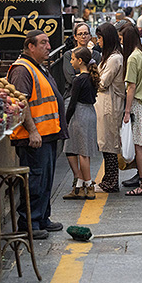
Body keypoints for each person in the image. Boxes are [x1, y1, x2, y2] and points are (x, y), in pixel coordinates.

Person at [7, 30, 68, 240]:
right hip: (33, 137)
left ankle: (42, 218)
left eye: (49, 42)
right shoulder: (22, 70)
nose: (49, 47)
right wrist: (32, 130)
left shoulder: (37, 67)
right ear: (30, 46)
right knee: (35, 180)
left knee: (45, 180)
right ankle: (29, 223)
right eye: (43, 43)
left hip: (47, 134)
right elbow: (20, 103)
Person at [120, 24, 142, 196]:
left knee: (139, 147)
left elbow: (131, 86)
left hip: (138, 105)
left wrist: (126, 111)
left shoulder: (133, 58)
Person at [63, 47, 100, 200]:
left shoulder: (78, 79)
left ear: (80, 61)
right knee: (75, 149)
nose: (71, 62)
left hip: (79, 114)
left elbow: (72, 103)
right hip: (90, 112)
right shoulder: (91, 77)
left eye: (72, 59)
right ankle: (78, 186)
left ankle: (88, 184)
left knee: (81, 152)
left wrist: (65, 120)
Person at [94, 23, 125, 193]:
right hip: (106, 104)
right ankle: (107, 179)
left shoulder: (114, 59)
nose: (97, 41)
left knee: (110, 144)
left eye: (100, 38)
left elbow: (102, 83)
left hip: (111, 104)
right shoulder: (110, 57)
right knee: (106, 142)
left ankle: (111, 182)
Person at [62, 23, 101, 100]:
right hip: (72, 95)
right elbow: (70, 79)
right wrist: (89, 76)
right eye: (80, 34)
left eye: (86, 33)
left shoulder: (96, 55)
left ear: (90, 36)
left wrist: (79, 75)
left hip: (92, 96)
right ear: (75, 37)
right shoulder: (68, 55)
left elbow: (98, 77)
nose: (83, 36)